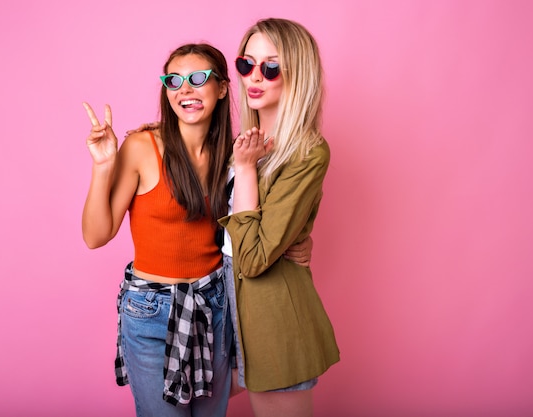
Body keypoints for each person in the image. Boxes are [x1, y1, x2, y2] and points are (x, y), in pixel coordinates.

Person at [82, 43, 235, 417]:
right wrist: (103, 166)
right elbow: (95, 236)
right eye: (174, 80)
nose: (185, 89)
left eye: (198, 78)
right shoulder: (142, 146)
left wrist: (302, 242)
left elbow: (249, 227)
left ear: (222, 88)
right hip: (152, 310)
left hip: (212, 304)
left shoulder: (231, 155)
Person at [218, 18, 340, 417]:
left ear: (296, 74)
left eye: (271, 67)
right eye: (246, 64)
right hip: (223, 303)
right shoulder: (241, 144)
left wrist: (248, 169)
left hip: (273, 312)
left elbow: (253, 258)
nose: (255, 77)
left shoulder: (307, 152)